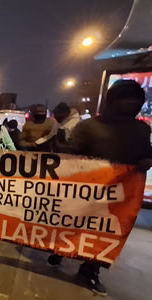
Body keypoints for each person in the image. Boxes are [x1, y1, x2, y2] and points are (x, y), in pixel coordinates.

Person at [47, 79, 152, 296]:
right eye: (126, 100)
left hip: (120, 195)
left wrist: (147, 160)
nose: (130, 105)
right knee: (73, 225)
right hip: (86, 192)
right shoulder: (89, 126)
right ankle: (60, 250)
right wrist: (61, 146)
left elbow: (147, 152)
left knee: (104, 234)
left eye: (135, 101)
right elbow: (72, 155)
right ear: (113, 101)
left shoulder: (142, 129)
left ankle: (90, 270)